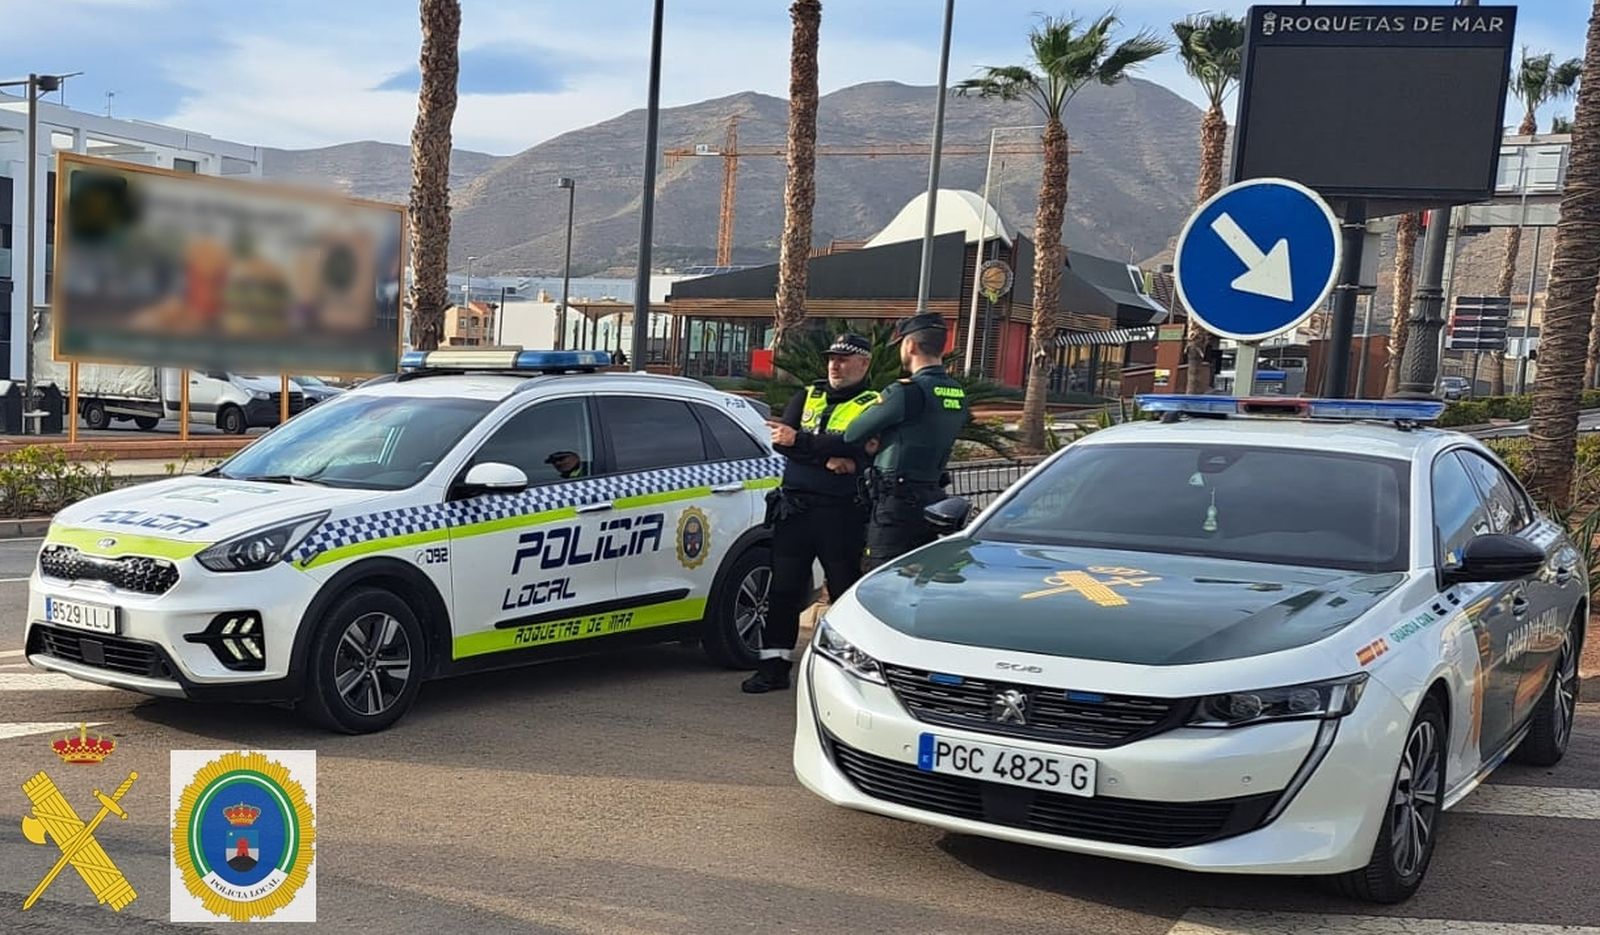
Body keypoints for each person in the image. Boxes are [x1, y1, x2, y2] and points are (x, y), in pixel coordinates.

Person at [742, 333, 881, 693]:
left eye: (845, 359)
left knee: (844, 591)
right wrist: (831, 456)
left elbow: (860, 446)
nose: (835, 364)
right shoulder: (807, 395)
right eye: (832, 358)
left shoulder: (873, 403)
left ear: (864, 364)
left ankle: (852, 671)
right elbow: (781, 441)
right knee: (784, 589)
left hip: (841, 514)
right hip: (796, 508)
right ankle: (773, 668)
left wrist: (807, 444)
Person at [843, 313, 969, 571]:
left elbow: (853, 432)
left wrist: (880, 438)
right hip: (932, 498)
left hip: (895, 506)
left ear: (910, 345)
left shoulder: (904, 391)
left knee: (882, 575)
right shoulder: (957, 392)